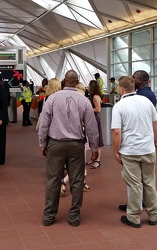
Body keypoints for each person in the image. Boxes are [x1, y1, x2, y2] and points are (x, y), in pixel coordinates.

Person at [38, 70, 99, 227]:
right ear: (78, 82)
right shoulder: (84, 101)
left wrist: (42, 143)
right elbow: (91, 127)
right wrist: (94, 147)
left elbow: (44, 123)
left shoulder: (52, 98)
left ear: (64, 81)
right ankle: (74, 216)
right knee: (77, 181)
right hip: (76, 145)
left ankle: (49, 216)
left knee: (53, 180)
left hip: (55, 144)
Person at [111, 76, 157, 228]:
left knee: (134, 185)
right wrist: (155, 142)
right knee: (149, 183)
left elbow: (117, 132)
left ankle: (134, 217)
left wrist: (116, 151)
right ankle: (154, 214)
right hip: (148, 149)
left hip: (130, 151)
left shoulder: (119, 106)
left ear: (121, 89)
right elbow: (156, 124)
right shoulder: (146, 101)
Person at [61, 82, 91, 194]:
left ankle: (82, 183)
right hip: (79, 136)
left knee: (76, 162)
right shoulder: (83, 101)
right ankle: (65, 181)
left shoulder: (64, 100)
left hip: (65, 136)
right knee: (80, 162)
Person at [86, 80, 104, 169]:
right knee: (92, 139)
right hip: (92, 119)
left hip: (95, 120)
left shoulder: (95, 97)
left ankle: (98, 160)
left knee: (97, 140)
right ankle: (94, 157)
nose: (87, 87)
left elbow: (98, 109)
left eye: (89, 85)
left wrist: (88, 110)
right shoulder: (92, 96)